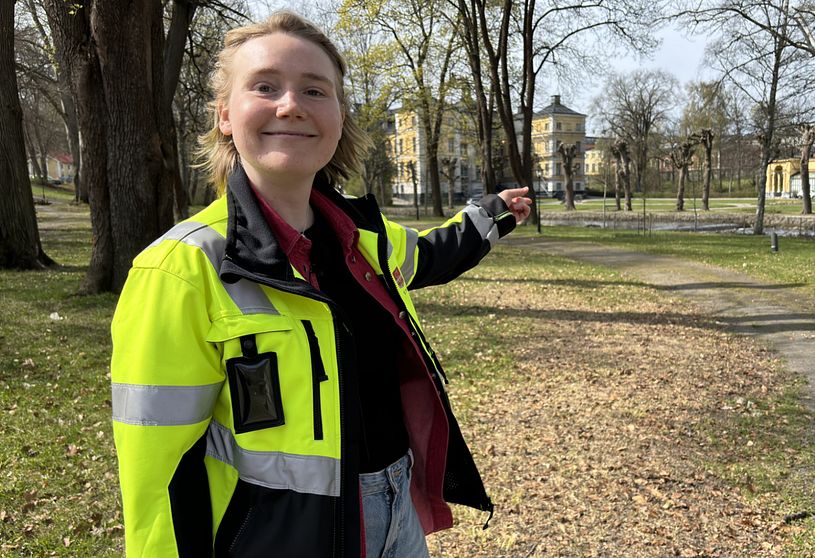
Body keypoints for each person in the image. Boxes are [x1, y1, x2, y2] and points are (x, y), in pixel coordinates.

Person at [109, 11, 530, 558]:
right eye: (265, 86)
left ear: (338, 117)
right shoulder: (178, 269)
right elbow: (158, 477)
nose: (291, 105)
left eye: (314, 90)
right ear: (225, 116)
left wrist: (493, 215)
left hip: (398, 514)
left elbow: (430, 255)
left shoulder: (364, 238)